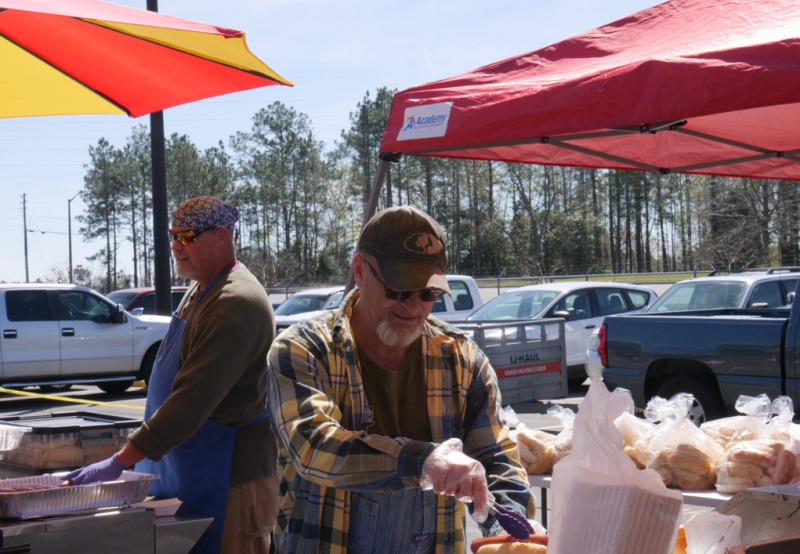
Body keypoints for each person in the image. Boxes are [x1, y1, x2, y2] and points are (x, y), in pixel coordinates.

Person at [267, 206, 534, 554]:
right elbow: (314, 445)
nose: (413, 306)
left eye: (428, 294)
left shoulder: (460, 358)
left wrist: (507, 526)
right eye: (398, 289)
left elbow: (496, 457)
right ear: (360, 271)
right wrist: (422, 461)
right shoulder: (304, 349)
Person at [65, 196, 279, 554]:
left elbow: (190, 402)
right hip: (188, 468)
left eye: (188, 236)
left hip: (231, 479)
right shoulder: (200, 289)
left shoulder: (235, 302)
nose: (177, 247)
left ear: (223, 236)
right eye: (173, 237)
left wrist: (119, 461)